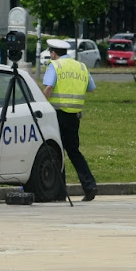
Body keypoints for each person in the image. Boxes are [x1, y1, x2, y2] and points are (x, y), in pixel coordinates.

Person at [43, 39, 98, 202]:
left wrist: (41, 105)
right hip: (74, 116)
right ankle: (90, 186)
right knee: (74, 152)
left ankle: (59, 192)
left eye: (51, 54)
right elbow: (91, 88)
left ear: (53, 53)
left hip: (57, 115)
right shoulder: (81, 66)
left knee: (56, 152)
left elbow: (48, 88)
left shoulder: (55, 66)